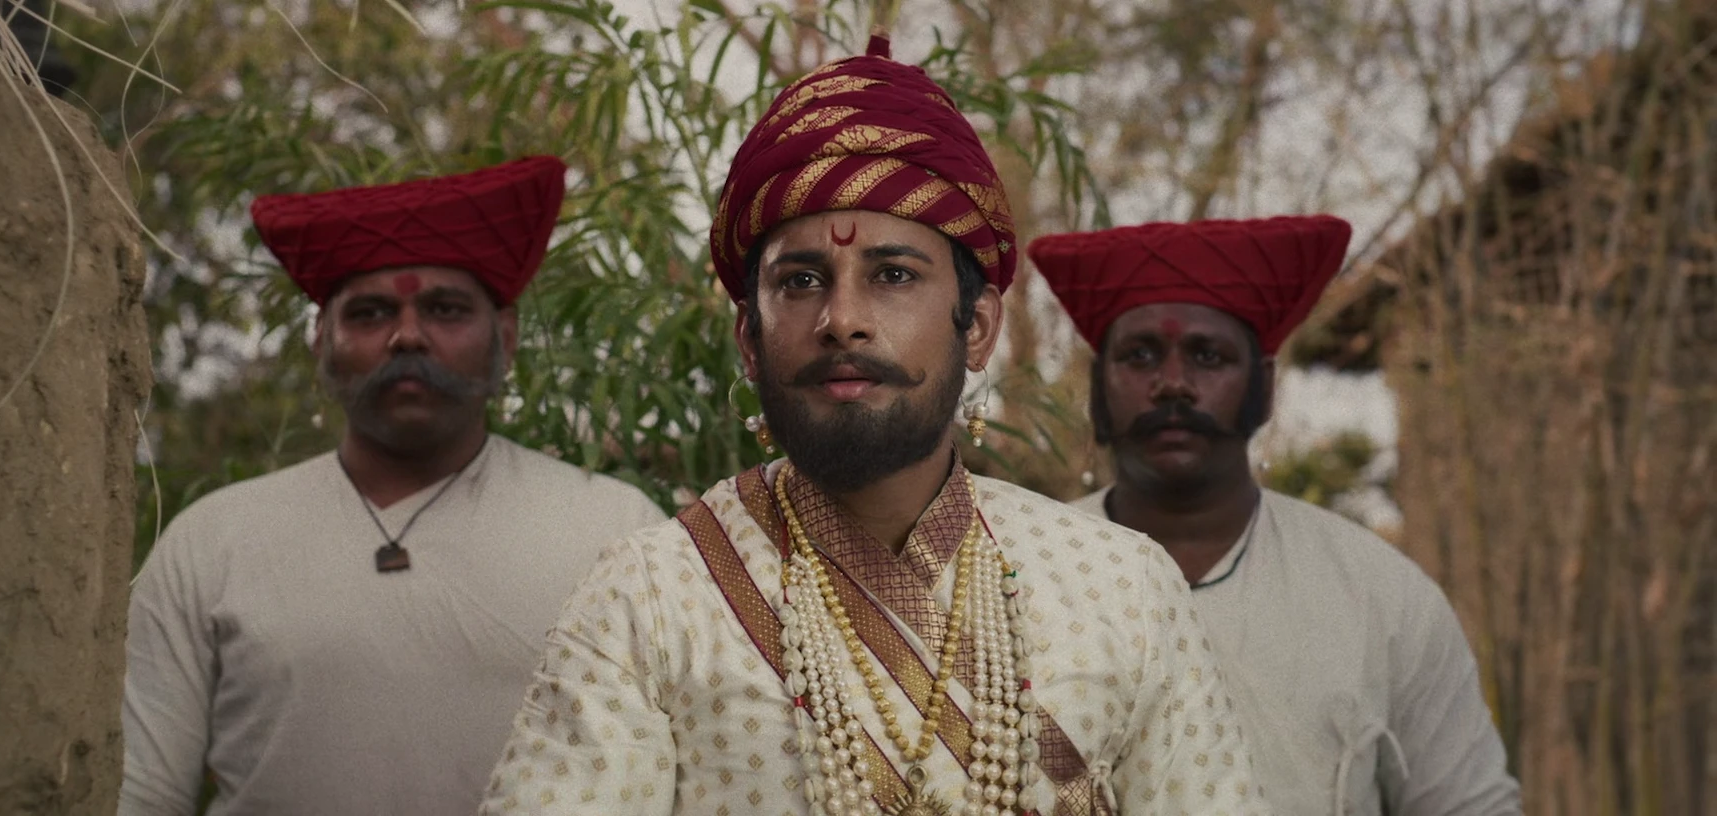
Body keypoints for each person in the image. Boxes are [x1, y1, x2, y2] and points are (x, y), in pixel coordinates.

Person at [478, 38, 1266, 816]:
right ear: (749, 338)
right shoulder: (652, 596)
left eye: (893, 275)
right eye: (801, 281)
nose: (843, 319)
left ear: (978, 328)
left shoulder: (1123, 588)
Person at [119, 156, 669, 816]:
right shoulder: (211, 543)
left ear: (506, 337)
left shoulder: (616, 531)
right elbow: (140, 793)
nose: (408, 336)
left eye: (445, 309)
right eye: (371, 313)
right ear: (321, 341)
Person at [1030, 217, 1522, 815]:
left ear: (1264, 387)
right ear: (1096, 391)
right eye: (1140, 356)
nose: (1173, 384)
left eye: (1208, 356)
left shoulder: (1380, 595)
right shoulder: (1021, 576)